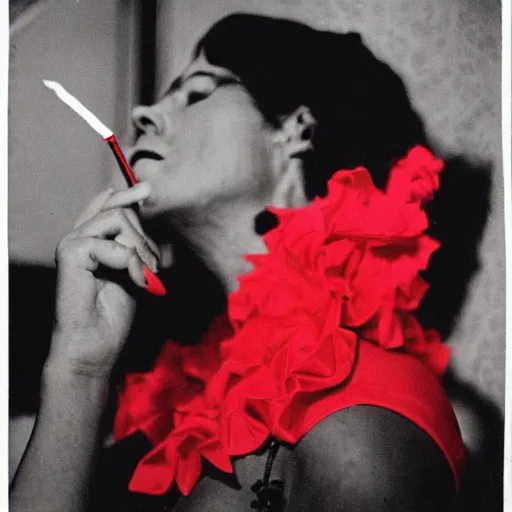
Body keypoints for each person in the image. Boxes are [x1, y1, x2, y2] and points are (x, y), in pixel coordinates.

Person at [10, 13, 465, 512]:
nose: (144, 112)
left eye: (198, 92)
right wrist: (79, 369)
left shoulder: (363, 412)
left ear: (297, 129)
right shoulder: (173, 407)